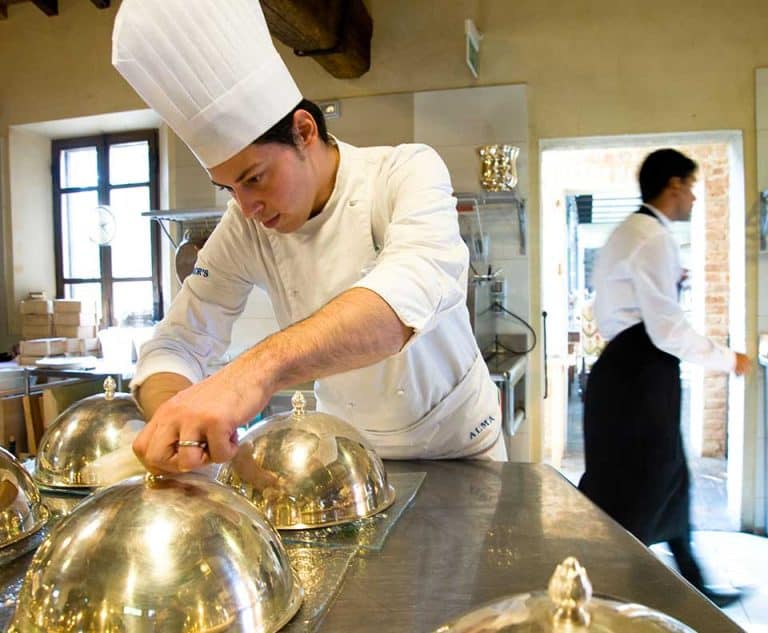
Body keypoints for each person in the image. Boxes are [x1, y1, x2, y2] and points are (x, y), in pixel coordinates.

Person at [111, 0, 506, 474]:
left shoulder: (404, 172)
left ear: (303, 131)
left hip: (458, 450)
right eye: (229, 188)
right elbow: (177, 340)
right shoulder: (247, 225)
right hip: (345, 457)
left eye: (254, 178)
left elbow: (401, 301)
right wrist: (177, 418)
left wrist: (253, 373)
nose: (246, 207)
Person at [578, 148, 750, 608]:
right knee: (644, 482)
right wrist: (726, 358)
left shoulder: (633, 232)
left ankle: (692, 586)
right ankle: (604, 595)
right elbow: (667, 328)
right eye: (692, 186)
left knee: (666, 478)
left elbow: (627, 301)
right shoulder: (653, 236)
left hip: (627, 372)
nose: (694, 196)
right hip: (640, 375)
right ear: (673, 184)